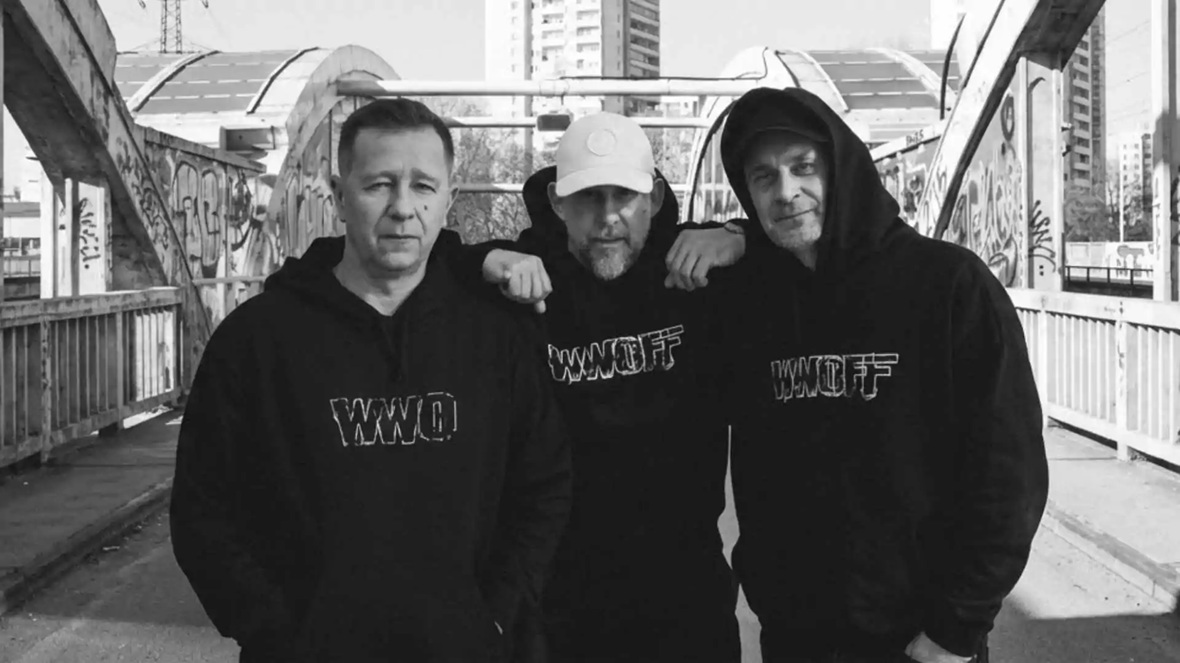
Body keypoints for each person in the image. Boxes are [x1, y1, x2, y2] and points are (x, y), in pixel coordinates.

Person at [170, 98, 573, 663]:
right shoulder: (257, 341)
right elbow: (203, 510)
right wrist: (277, 631)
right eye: (379, 185)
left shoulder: (497, 337)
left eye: (423, 186)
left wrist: (497, 617)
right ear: (339, 196)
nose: (403, 208)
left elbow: (544, 486)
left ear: (449, 199)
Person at [707, 86, 1049, 663]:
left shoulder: (947, 285)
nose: (785, 192)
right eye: (763, 177)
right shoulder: (752, 301)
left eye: (803, 167)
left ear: (842, 170)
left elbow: (1009, 473)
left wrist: (956, 628)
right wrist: (729, 233)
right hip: (794, 636)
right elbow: (616, 240)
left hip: (919, 640)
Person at [446, 112, 748, 662]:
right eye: (588, 198)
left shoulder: (695, 272)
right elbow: (412, 259)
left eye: (624, 197)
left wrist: (739, 237)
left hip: (686, 603)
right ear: (558, 203)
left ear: (654, 198)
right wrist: (483, 259)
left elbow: (816, 239)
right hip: (557, 610)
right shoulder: (527, 281)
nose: (608, 218)